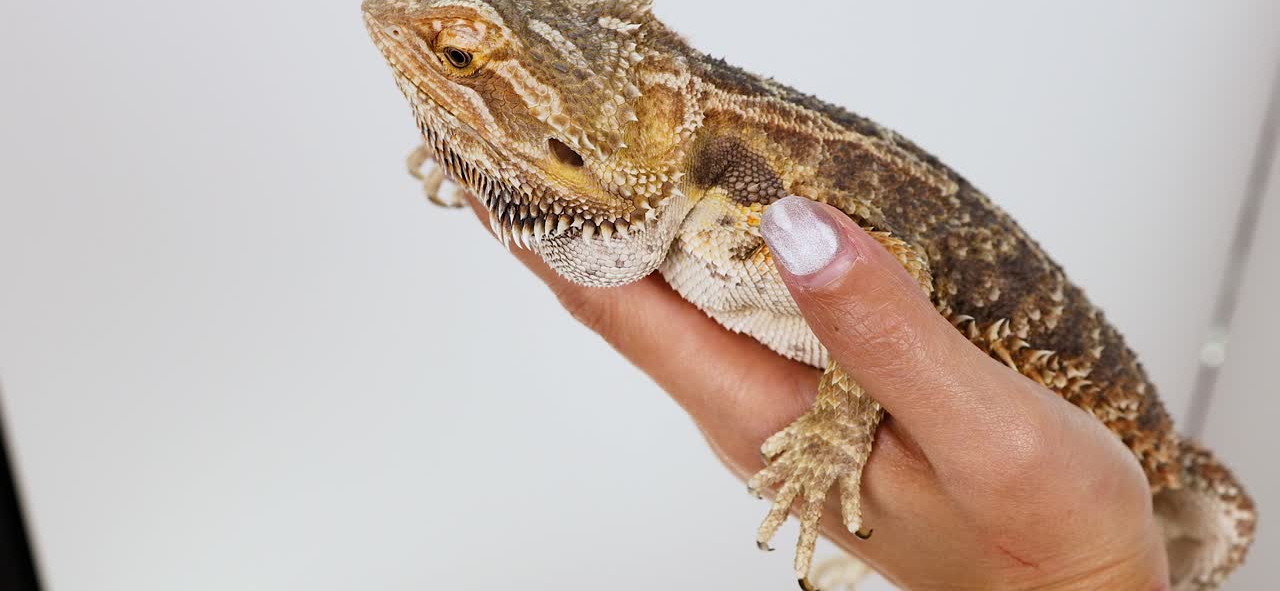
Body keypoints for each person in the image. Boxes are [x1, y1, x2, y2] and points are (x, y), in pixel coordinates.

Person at [477, 195, 1170, 590]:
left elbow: (894, 268)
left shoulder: (718, 204)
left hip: (1130, 441)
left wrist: (1090, 576)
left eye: (460, 55)